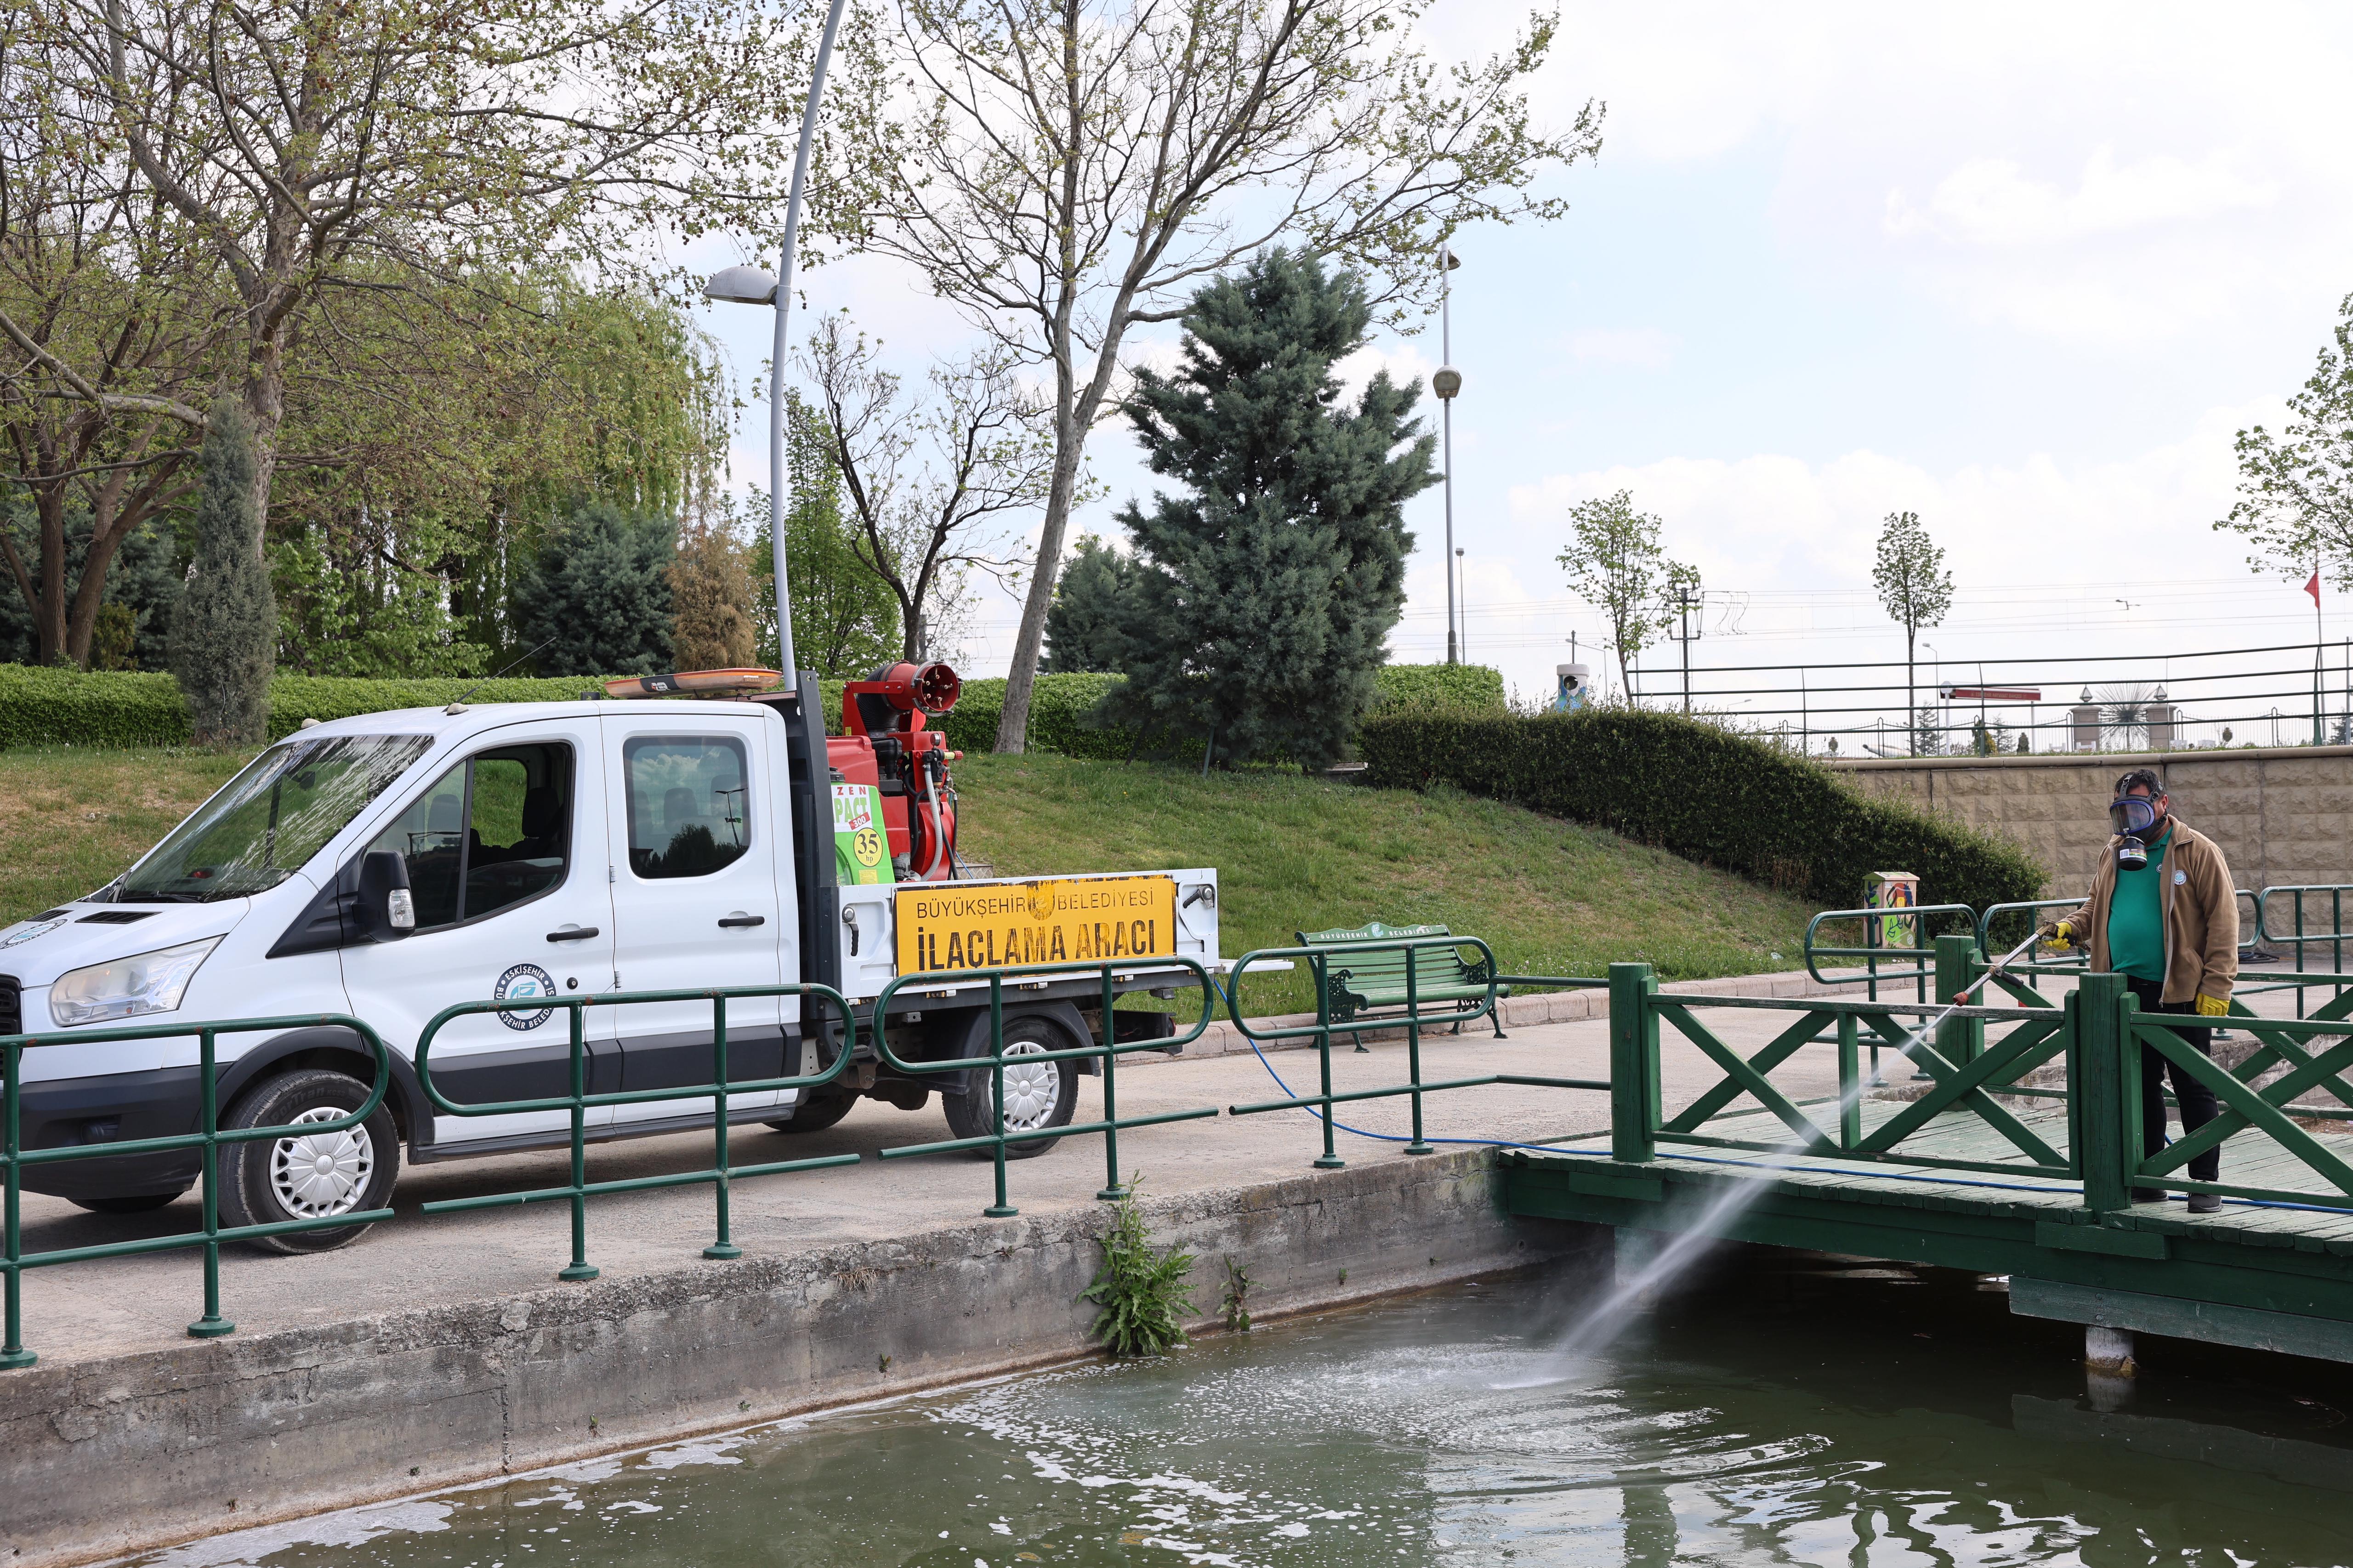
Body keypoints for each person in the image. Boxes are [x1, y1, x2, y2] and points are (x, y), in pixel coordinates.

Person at [2039, 768, 2237, 1214]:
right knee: (2140, 1086)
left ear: (2162, 804)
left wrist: (2216, 985)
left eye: (2139, 809)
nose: (2129, 819)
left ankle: (2204, 1182)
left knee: (2194, 1086)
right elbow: (2096, 905)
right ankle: (2149, 1178)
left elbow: (2224, 922)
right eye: (2121, 810)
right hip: (2121, 994)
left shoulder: (2196, 851)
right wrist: (2069, 927)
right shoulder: (2112, 851)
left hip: (2180, 991)